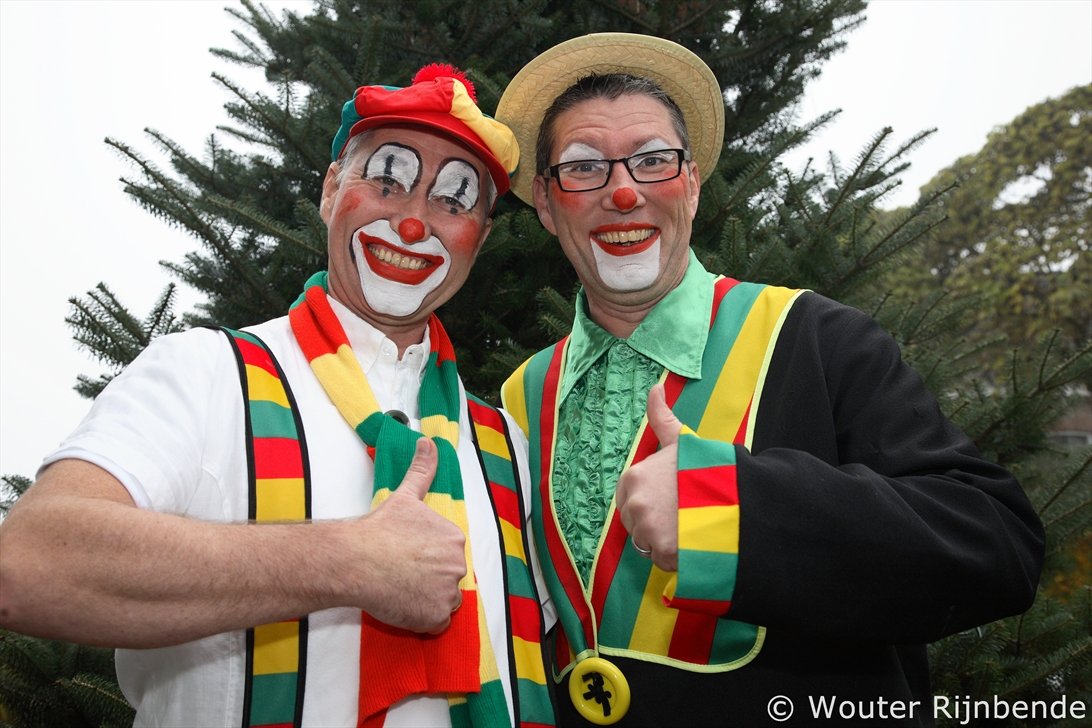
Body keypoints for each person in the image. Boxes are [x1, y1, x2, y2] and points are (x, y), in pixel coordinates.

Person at [494, 34, 1044, 726]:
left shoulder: (819, 338)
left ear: (692, 184)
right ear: (546, 204)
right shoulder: (518, 398)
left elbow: (998, 544)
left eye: (654, 160)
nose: (624, 192)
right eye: (583, 168)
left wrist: (740, 511)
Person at [0, 65, 555, 728]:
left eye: (453, 201)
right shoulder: (205, 372)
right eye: (387, 182)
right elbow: (29, 564)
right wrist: (346, 562)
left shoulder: (508, 446)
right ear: (331, 190)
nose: (413, 224)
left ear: (480, 238)